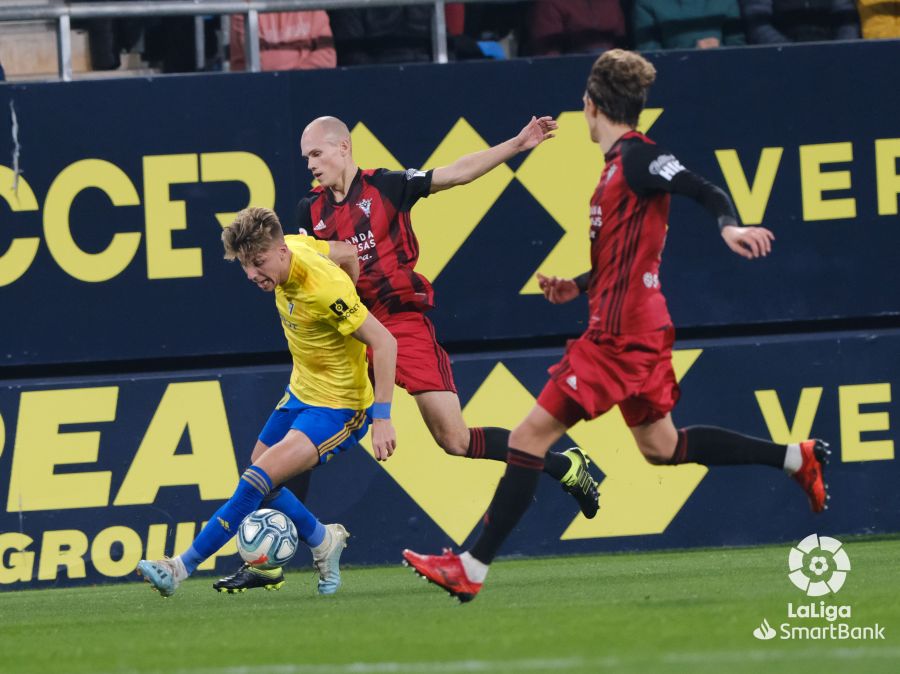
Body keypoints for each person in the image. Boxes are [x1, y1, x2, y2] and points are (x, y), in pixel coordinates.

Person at [401, 49, 831, 603]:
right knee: (663, 447)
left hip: (619, 337)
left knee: (531, 438)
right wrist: (577, 286)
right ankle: (797, 457)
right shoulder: (618, 168)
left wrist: (728, 227)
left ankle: (471, 567)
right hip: (638, 328)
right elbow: (621, 256)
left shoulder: (635, 158)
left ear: (591, 105)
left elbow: (702, 187)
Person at [214, 115, 602, 593]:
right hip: (348, 328)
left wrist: (518, 143)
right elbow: (306, 270)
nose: (310, 165)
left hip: (401, 322)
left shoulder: (389, 187)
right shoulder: (307, 210)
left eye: (316, 154)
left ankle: (563, 465)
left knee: (454, 439)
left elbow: (457, 171)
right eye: (306, 158)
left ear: (343, 147)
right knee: (291, 446)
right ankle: (267, 560)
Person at [136, 207, 398, 597]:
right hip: (300, 391)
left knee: (255, 480)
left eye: (258, 263)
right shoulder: (294, 245)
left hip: (340, 405)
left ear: (280, 253)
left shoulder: (324, 288)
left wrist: (382, 418)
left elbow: (385, 341)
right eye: (245, 265)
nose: (252, 274)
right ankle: (323, 540)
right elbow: (345, 252)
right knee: (263, 476)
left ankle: (178, 567)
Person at [230, 11, 336, 71]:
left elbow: (327, 56)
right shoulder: (247, 7)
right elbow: (266, 64)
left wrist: (297, 77)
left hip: (310, 86)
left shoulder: (311, 5)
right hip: (259, 92)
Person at [632, 0, 746, 50]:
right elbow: (649, 58)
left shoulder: (726, 2)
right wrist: (692, 54)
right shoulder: (647, 3)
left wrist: (719, 51)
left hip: (725, 75)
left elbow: (738, 48)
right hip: (673, 84)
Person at [527, 0, 626, 56]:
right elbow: (548, 51)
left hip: (610, 64)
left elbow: (619, 38)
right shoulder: (549, 3)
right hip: (569, 65)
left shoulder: (610, 2)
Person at [741, 0, 860, 43]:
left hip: (833, 59)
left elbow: (847, 22)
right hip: (778, 61)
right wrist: (792, 52)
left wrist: (838, 51)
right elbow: (758, 26)